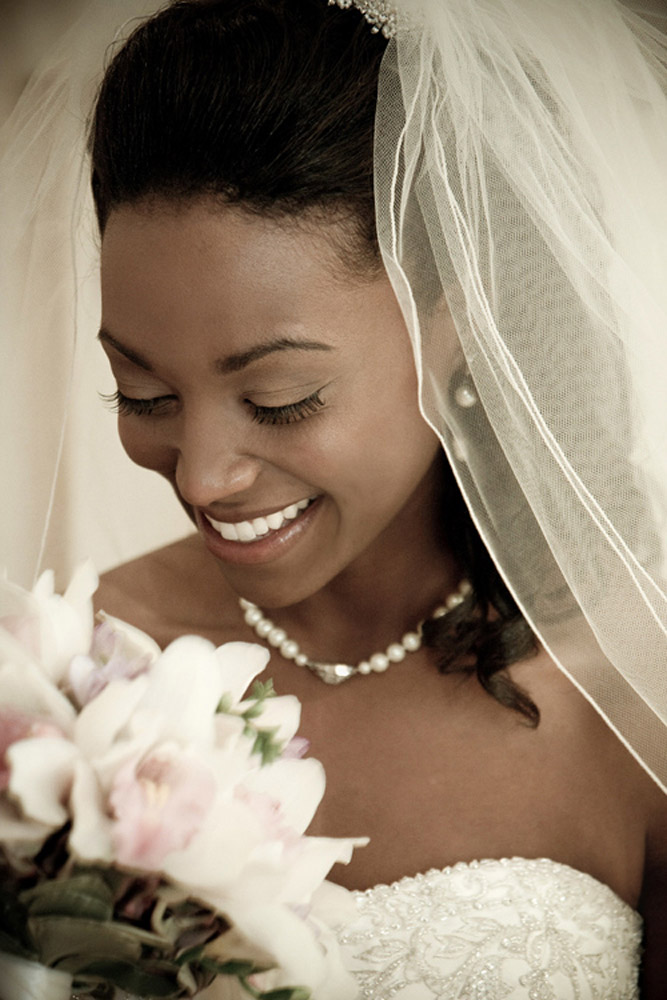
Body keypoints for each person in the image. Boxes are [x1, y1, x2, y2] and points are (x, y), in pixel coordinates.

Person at [4, 0, 667, 995]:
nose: (202, 476)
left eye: (279, 399)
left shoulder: (631, 693)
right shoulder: (70, 682)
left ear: (452, 329)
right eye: (143, 393)